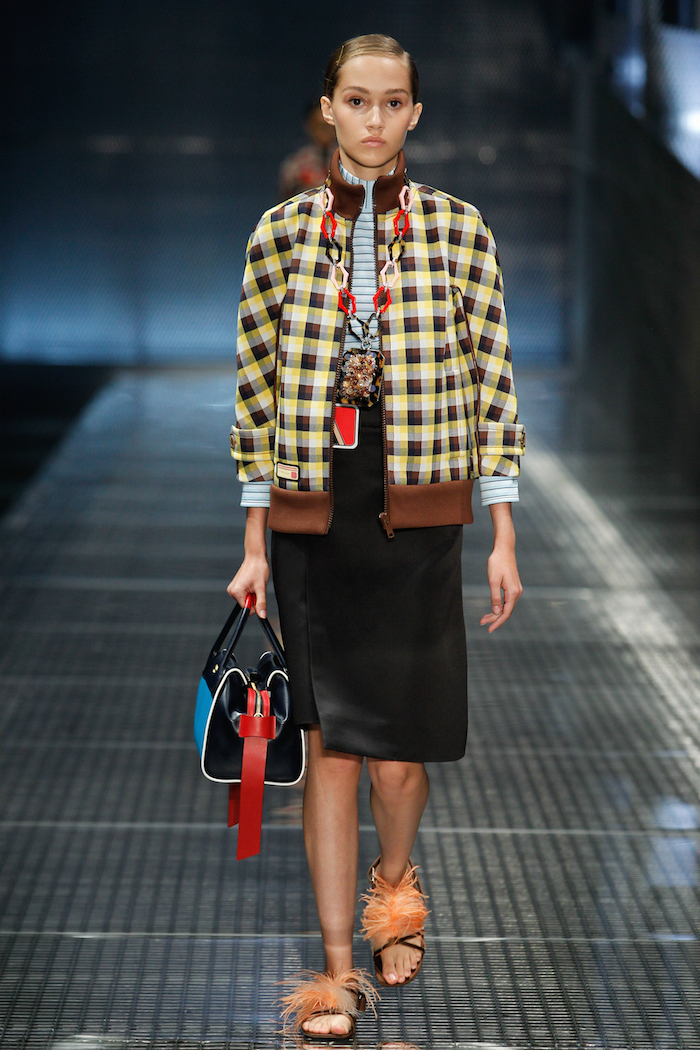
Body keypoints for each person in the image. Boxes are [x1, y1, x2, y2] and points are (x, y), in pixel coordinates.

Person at [228, 33, 525, 1043]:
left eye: (392, 101)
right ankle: (334, 971)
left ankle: (396, 888)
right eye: (356, 100)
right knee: (333, 753)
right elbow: (255, 393)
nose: (373, 119)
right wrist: (254, 540)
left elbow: (492, 381)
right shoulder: (280, 234)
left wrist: (503, 532)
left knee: (399, 758)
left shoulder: (458, 229)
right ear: (329, 107)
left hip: (420, 509)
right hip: (316, 512)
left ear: (414, 114)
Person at [278, 99, 337, 200]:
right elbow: (285, 200)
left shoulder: (350, 163)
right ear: (309, 126)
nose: (324, 130)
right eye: (319, 126)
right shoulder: (296, 165)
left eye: (328, 125)